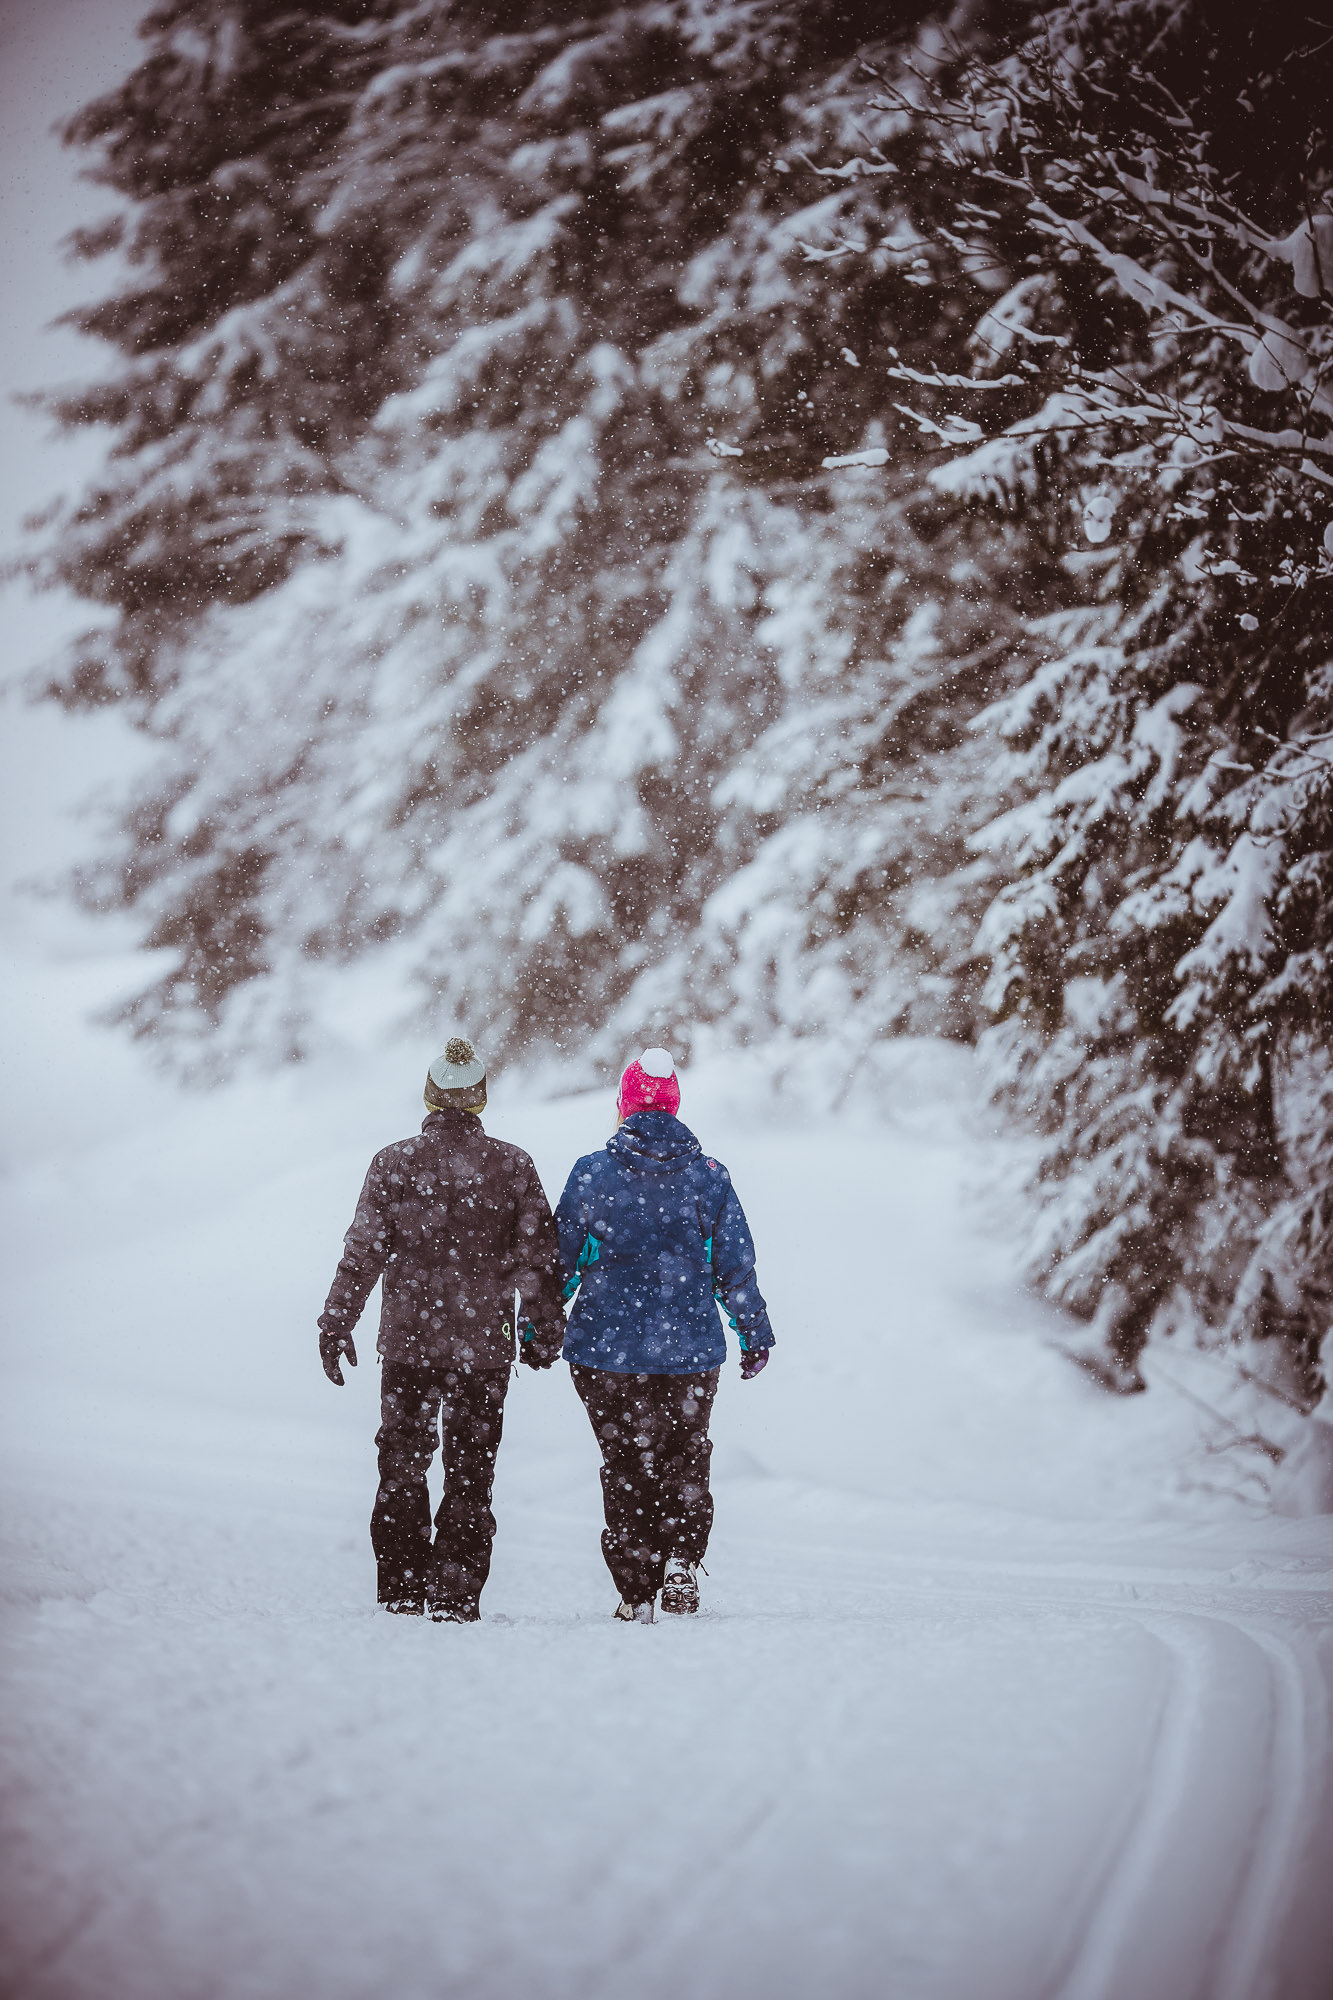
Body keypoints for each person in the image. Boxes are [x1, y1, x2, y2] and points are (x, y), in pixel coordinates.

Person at [318, 1037, 564, 1621]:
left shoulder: (394, 1162)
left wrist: (337, 1319)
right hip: (483, 1349)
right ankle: (455, 1593)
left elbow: (363, 1253)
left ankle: (402, 1587)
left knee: (401, 1462)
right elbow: (538, 1259)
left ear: (430, 1096)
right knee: (471, 1468)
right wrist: (542, 1330)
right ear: (479, 1099)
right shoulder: (512, 1166)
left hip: (408, 1342)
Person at [555, 1048, 773, 1623]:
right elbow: (734, 1265)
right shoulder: (709, 1178)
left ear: (624, 1106)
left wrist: (535, 1324)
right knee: (685, 1455)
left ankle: (635, 1588)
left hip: (605, 1349)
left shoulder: (592, 1173)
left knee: (624, 1461)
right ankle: (681, 1559)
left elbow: (561, 1263)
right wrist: (753, 1329)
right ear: (674, 1106)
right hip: (690, 1348)